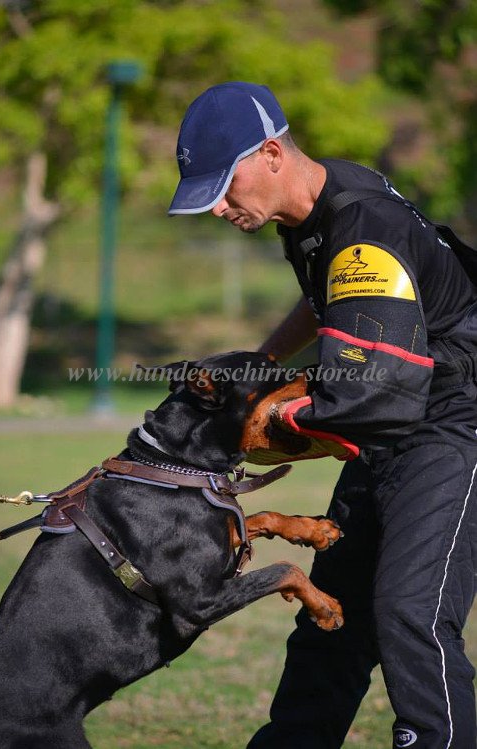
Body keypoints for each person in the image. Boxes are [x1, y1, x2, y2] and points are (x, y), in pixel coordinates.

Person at [169, 81, 477, 749]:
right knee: (332, 620)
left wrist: (267, 424)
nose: (219, 207)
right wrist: (261, 364)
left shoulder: (367, 226)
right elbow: (328, 299)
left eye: (225, 186)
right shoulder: (313, 212)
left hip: (453, 419)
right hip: (397, 422)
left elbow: (373, 392)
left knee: (410, 611)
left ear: (272, 153)